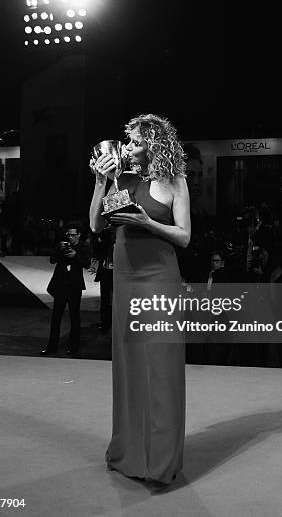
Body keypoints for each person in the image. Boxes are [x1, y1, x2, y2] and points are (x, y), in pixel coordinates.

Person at [89, 113, 190, 486]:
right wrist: (101, 181)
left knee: (160, 367)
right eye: (127, 142)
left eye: (133, 142)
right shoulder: (122, 180)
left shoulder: (175, 182)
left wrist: (148, 222)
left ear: (153, 143)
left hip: (159, 278)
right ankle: (129, 451)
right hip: (126, 276)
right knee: (130, 366)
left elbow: (184, 237)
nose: (127, 148)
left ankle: (161, 460)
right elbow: (96, 225)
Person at [41, 222, 91, 356]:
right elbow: (52, 260)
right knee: (56, 317)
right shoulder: (62, 245)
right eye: (68, 234)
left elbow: (87, 265)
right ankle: (52, 347)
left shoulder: (83, 247)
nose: (70, 237)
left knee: (75, 317)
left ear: (79, 235)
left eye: (73, 235)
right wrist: (59, 250)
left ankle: (73, 348)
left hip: (75, 286)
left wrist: (75, 256)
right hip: (60, 286)